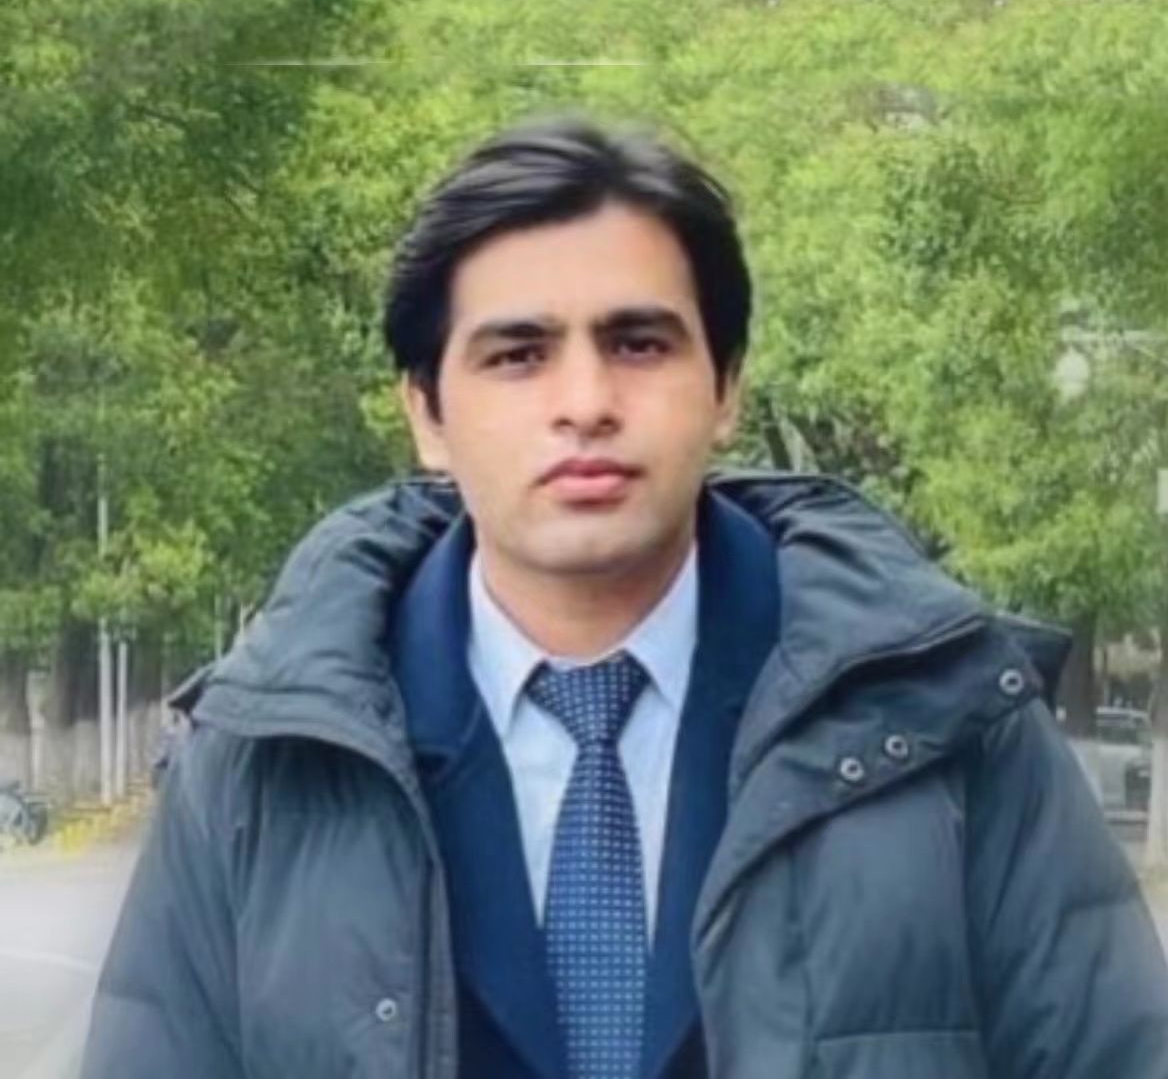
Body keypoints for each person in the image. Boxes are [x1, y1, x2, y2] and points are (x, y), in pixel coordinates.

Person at [80, 116, 1168, 1079]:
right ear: (427, 414)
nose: (587, 402)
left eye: (638, 343)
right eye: (519, 355)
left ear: (725, 387)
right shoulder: (266, 761)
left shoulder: (941, 722)